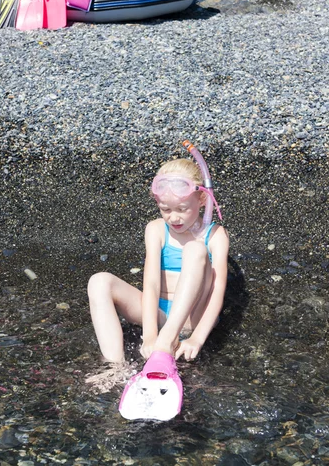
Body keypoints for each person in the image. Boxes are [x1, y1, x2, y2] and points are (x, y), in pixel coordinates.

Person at [88, 144, 229, 364]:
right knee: (99, 282)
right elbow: (151, 284)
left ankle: (167, 341)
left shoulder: (216, 235)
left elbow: (218, 291)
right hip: (159, 314)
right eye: (166, 209)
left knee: (195, 248)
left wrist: (197, 338)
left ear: (202, 200)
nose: (174, 218)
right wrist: (150, 333)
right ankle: (115, 366)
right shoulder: (155, 229)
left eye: (182, 209)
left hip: (193, 316)